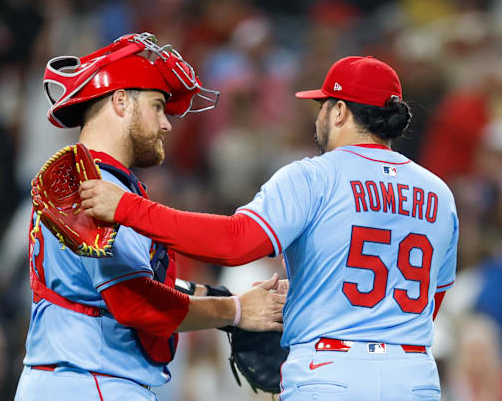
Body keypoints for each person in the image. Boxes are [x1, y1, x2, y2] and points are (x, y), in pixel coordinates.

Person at [81, 55, 459, 400]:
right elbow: (428, 303)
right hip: (413, 376)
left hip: (332, 374)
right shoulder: (440, 194)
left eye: (322, 105)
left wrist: (128, 207)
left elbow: (235, 242)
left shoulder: (312, 176)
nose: (318, 117)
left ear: (340, 111)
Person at [14, 34, 286, 401]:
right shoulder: (95, 185)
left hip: (76, 380)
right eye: (158, 106)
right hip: (89, 381)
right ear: (121, 100)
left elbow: (139, 282)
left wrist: (227, 296)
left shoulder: (94, 177)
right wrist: (235, 311)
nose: (166, 124)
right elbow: (134, 301)